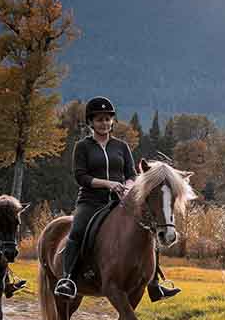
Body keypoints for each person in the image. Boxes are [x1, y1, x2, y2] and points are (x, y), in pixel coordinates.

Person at [54, 96, 180, 302]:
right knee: (76, 231)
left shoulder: (121, 146)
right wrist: (108, 183)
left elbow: (131, 174)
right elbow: (81, 176)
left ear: (112, 122)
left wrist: (129, 187)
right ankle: (67, 279)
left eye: (107, 119)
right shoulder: (83, 147)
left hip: (118, 201)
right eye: (99, 119)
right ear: (91, 123)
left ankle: (154, 283)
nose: (104, 123)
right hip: (91, 201)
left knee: (148, 229)